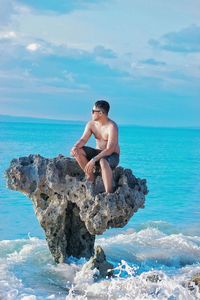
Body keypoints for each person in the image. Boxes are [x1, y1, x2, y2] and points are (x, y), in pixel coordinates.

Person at [70, 100, 120, 193]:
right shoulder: (91, 124)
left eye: (93, 111)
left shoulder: (112, 127)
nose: (91, 113)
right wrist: (75, 147)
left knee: (103, 161)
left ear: (100, 113)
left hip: (111, 156)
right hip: (98, 153)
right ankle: (90, 177)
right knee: (77, 151)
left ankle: (109, 193)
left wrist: (94, 160)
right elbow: (83, 140)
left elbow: (110, 149)